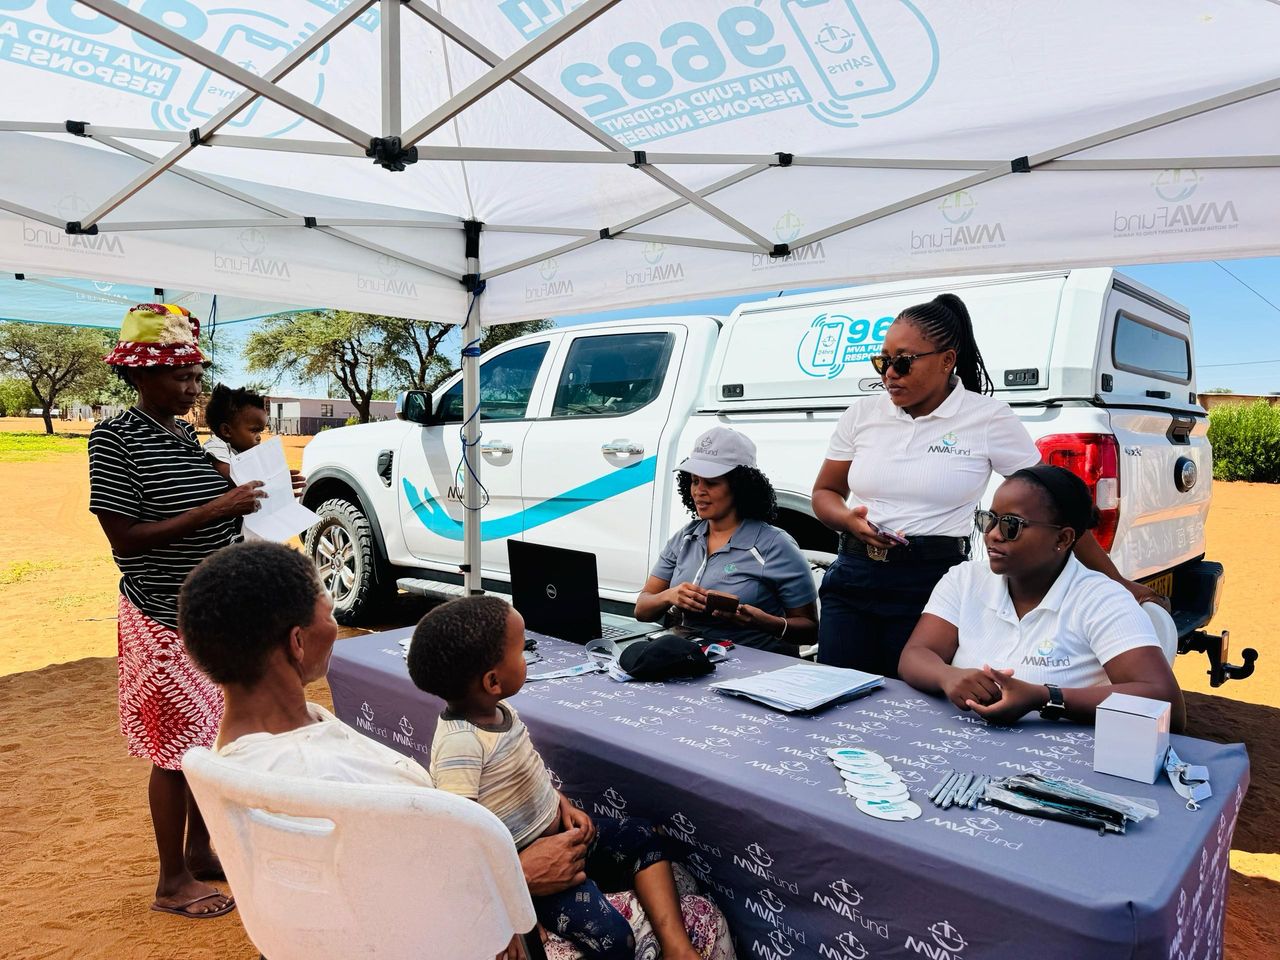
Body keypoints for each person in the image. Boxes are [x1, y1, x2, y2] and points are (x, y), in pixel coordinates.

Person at [179, 543, 599, 960]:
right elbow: (406, 909)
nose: (335, 623)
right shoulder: (327, 785)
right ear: (297, 642)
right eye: (329, 613)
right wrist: (518, 878)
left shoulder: (241, 756)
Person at [811, 293, 1166, 676]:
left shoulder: (986, 418)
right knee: (836, 692)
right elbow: (825, 493)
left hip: (928, 585)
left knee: (908, 700)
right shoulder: (862, 413)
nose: (889, 374)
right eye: (883, 361)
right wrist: (848, 521)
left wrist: (1116, 582)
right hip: (853, 577)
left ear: (947, 360)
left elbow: (1056, 505)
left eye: (903, 361)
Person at [88, 303, 266, 920]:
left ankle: (200, 852)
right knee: (172, 753)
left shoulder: (184, 437)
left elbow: (220, 491)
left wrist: (258, 490)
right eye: (180, 376)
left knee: (205, 740)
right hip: (161, 617)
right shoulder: (115, 439)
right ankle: (171, 882)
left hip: (207, 613)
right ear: (140, 376)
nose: (193, 388)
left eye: (195, 376)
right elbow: (125, 538)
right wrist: (219, 509)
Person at [408, 596, 704, 960]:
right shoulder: (461, 744)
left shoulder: (499, 710)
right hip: (531, 869)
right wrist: (503, 913)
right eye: (522, 651)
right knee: (613, 938)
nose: (527, 657)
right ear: (493, 681)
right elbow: (461, 835)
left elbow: (527, 771)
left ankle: (677, 947)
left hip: (562, 833)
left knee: (642, 835)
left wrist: (560, 803)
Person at [898, 466, 1185, 729]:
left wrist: (1045, 698)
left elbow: (1166, 703)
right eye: (988, 519)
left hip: (1062, 758)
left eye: (1012, 525)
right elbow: (915, 654)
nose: (993, 535)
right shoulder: (966, 579)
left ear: (1062, 539)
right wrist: (947, 676)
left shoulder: (1101, 599)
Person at [634, 427, 818, 654]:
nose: (699, 491)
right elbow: (642, 609)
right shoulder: (685, 537)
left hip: (757, 664)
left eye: (711, 483)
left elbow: (810, 630)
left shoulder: (776, 545)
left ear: (740, 486)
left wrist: (761, 621)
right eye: (694, 481)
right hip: (694, 658)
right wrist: (670, 596)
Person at [202, 383, 268, 470]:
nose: (259, 437)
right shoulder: (216, 446)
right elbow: (232, 475)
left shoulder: (242, 450)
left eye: (260, 431)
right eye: (254, 430)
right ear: (226, 431)